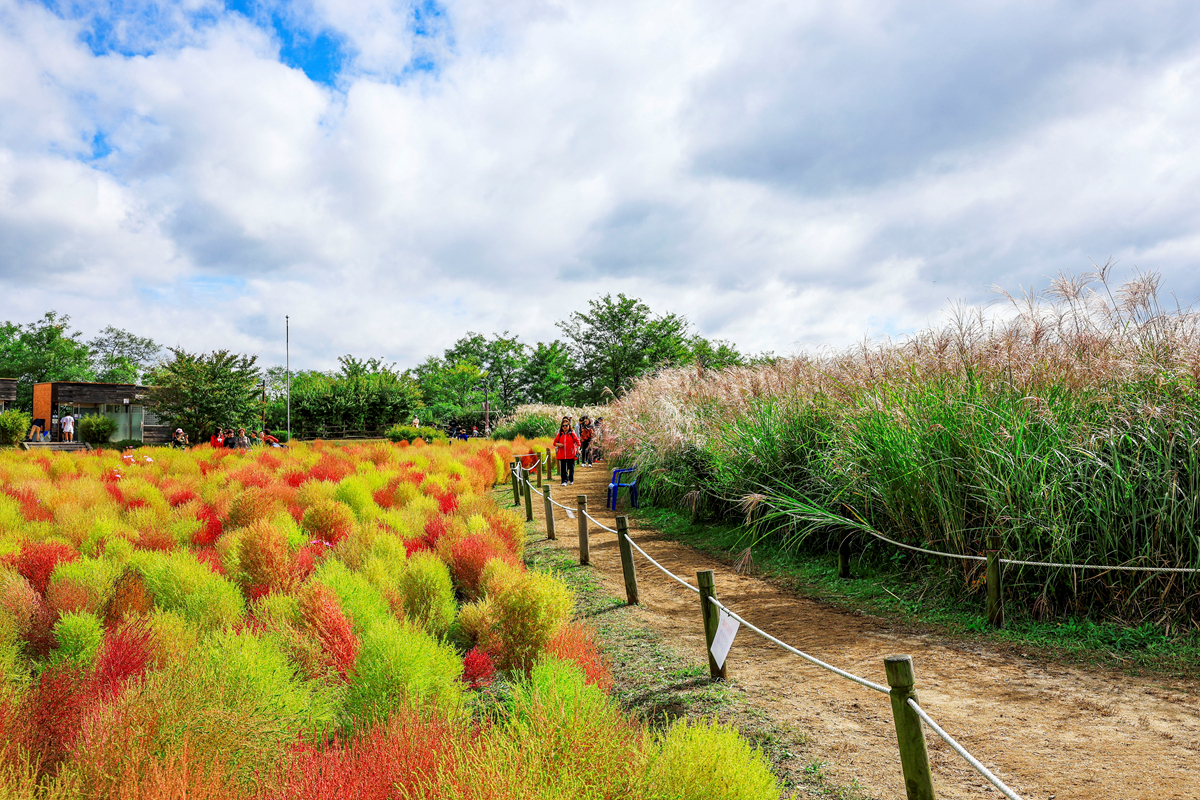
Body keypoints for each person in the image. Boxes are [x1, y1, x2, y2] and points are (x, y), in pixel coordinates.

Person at [553, 417, 580, 486]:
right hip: (562, 454)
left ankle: (571, 479)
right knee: (563, 469)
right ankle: (564, 481)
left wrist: (578, 449)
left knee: (571, 467)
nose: (565, 427)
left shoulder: (572, 434)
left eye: (566, 425)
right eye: (563, 425)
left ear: (569, 426)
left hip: (571, 453)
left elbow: (578, 441)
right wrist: (558, 444)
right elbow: (554, 443)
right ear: (561, 427)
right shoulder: (560, 434)